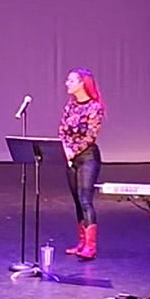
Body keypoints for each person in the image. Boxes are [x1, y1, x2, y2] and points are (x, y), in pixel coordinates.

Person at [57, 68, 105, 260]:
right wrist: (65, 149)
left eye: (71, 80)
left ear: (82, 83)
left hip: (87, 158)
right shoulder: (71, 105)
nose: (67, 83)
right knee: (77, 200)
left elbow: (90, 136)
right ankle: (82, 242)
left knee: (85, 199)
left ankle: (90, 246)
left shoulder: (95, 107)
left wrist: (72, 151)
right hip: (71, 158)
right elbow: (62, 129)